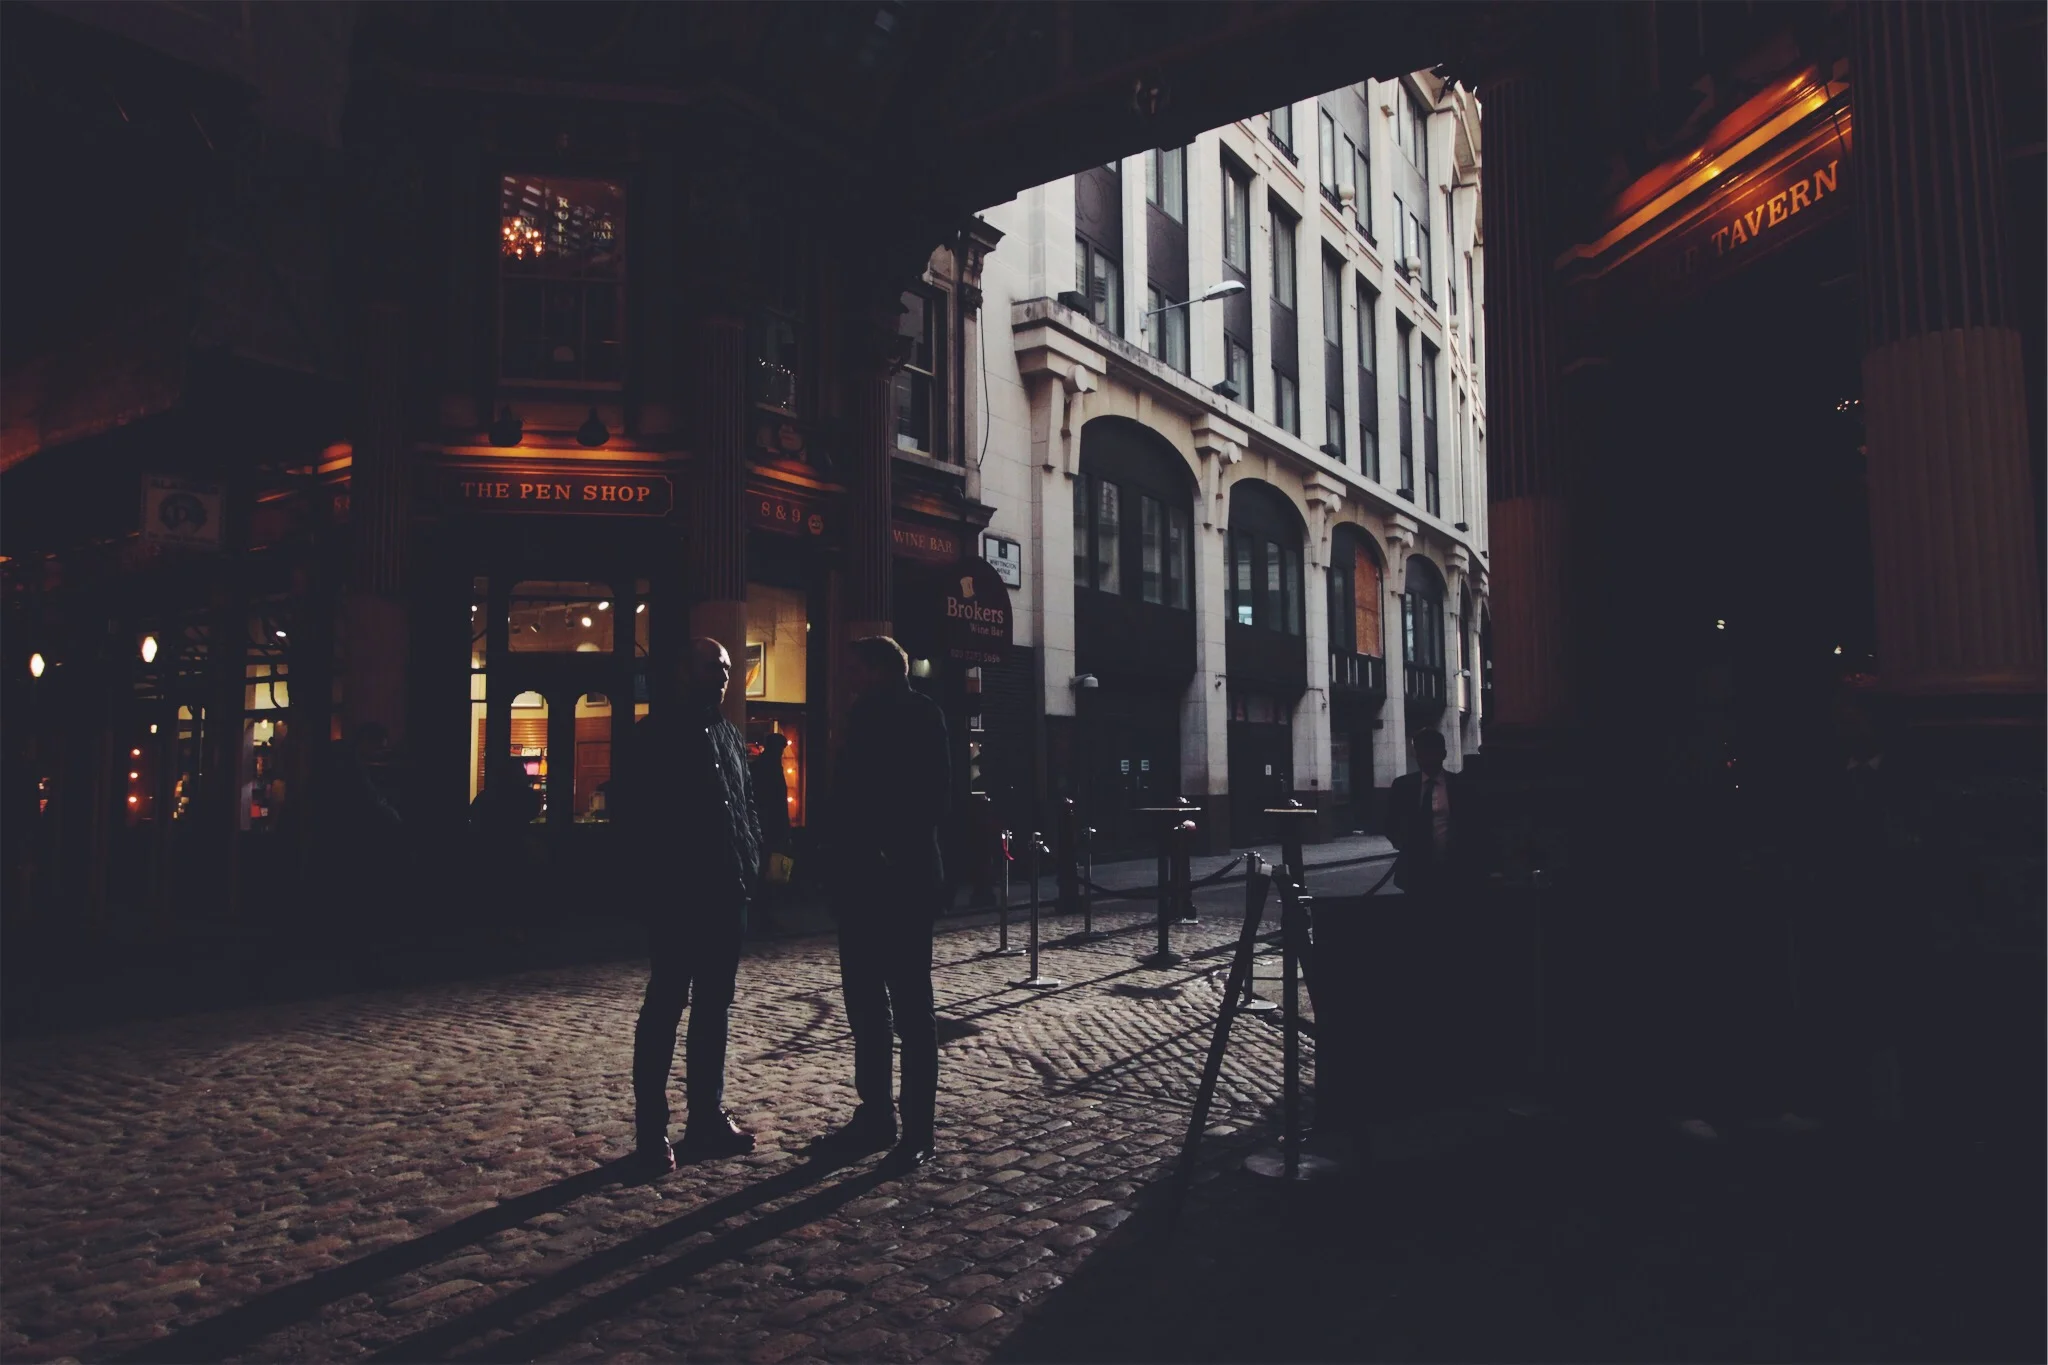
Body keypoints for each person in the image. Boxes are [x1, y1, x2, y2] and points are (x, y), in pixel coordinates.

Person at [612, 638, 763, 1175]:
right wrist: (652, 884)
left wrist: (750, 859)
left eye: (726, 668)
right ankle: (651, 1131)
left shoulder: (728, 734)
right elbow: (633, 817)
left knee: (714, 1007)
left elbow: (744, 804)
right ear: (684, 671)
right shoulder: (654, 734)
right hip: (677, 893)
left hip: (727, 889)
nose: (722, 675)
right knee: (665, 1007)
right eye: (712, 666)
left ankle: (705, 1117)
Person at [813, 636, 953, 1168]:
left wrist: (884, 847)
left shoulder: (921, 714)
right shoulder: (863, 715)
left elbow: (933, 798)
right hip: (862, 882)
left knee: (910, 1009)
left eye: (855, 668)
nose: (849, 677)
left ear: (878, 669)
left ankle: (916, 1129)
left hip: (901, 881)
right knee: (867, 1005)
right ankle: (877, 1115)